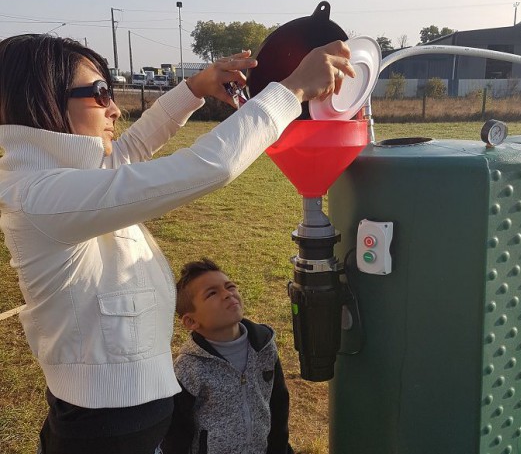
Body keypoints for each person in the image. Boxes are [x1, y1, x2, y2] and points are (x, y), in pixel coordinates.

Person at [0, 33, 354, 454]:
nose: (114, 108)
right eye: (99, 93)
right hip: (105, 431)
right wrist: (292, 90)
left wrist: (192, 90)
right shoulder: (39, 195)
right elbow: (206, 167)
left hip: (116, 421)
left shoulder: (61, 179)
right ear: (40, 99)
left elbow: (129, 149)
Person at [162, 258, 293, 454]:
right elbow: (176, 431)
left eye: (230, 286)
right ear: (191, 321)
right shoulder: (188, 367)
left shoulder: (264, 346)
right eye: (212, 293)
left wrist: (279, 448)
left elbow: (278, 403)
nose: (227, 294)